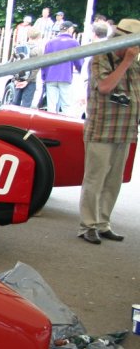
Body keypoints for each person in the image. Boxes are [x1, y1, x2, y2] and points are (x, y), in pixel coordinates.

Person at [77, 19, 140, 244]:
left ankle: (103, 223)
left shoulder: (135, 63)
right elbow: (105, 87)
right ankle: (88, 225)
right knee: (95, 178)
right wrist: (127, 62)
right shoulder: (101, 57)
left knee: (114, 180)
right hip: (102, 129)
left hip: (125, 130)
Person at [41, 20, 82, 114]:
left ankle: (50, 124)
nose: (73, 30)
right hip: (65, 76)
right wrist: (81, 71)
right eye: (72, 28)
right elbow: (79, 61)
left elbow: (44, 61)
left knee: (51, 105)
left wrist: (43, 75)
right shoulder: (74, 43)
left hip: (50, 76)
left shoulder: (50, 42)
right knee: (66, 104)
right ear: (69, 29)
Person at [11, 28, 43, 108]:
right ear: (39, 37)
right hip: (31, 80)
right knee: (26, 104)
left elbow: (13, 63)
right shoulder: (38, 49)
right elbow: (36, 67)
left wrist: (15, 79)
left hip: (19, 77)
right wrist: (28, 81)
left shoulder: (19, 47)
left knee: (15, 103)